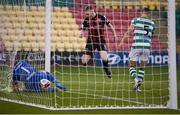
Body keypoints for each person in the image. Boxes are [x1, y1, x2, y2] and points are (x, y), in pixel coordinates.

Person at [119, 8, 155, 91]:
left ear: (142, 12)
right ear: (148, 14)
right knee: (142, 67)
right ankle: (138, 87)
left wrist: (121, 42)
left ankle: (136, 79)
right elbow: (151, 35)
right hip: (147, 46)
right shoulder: (152, 23)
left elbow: (128, 31)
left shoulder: (136, 20)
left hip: (137, 45)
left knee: (131, 64)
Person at [80, 6, 117, 79]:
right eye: (86, 14)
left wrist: (114, 35)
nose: (86, 15)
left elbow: (110, 26)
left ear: (92, 11)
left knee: (104, 58)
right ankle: (91, 53)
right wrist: (81, 33)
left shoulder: (101, 17)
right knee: (84, 62)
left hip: (101, 41)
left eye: (87, 14)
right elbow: (82, 28)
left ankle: (106, 70)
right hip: (90, 42)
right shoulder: (86, 20)